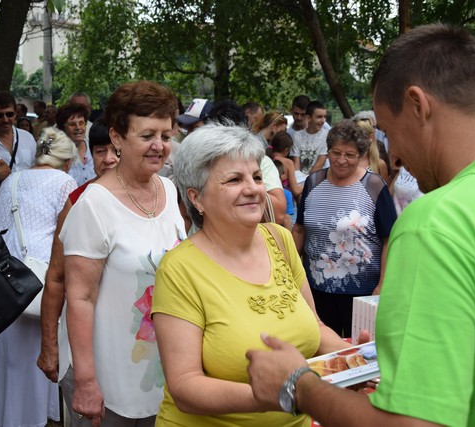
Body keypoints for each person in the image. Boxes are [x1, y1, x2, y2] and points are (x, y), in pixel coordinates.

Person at [246, 23, 475, 427]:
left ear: (417, 105)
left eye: (387, 130)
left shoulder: (436, 224)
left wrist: (298, 384)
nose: (394, 153)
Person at [151, 123, 359, 427]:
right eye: (235, 179)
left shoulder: (279, 239)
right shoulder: (179, 269)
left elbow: (315, 328)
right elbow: (185, 385)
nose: (253, 189)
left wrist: (359, 359)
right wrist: (283, 394)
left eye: (257, 177)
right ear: (197, 198)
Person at [60, 80, 186, 426]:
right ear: (116, 137)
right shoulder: (93, 205)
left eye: (165, 135)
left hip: (164, 368)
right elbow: (80, 298)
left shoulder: (169, 189)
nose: (159, 145)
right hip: (111, 375)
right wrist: (86, 381)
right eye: (147, 135)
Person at [0, 127, 78, 427]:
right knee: (39, 352)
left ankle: (8, 416)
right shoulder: (65, 182)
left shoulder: (11, 180)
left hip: (5, 278)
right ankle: (36, 416)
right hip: (40, 278)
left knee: (10, 359)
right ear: (67, 163)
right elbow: (68, 236)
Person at [37, 118, 119, 427]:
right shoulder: (77, 201)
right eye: (100, 151)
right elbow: (56, 277)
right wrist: (49, 346)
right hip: (87, 343)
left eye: (116, 151)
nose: (109, 159)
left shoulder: (157, 198)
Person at [293, 120, 396, 337]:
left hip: (361, 292)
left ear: (361, 155)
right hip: (316, 288)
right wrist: (289, 273)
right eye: (336, 153)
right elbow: (300, 229)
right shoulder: (313, 182)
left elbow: (389, 239)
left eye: (349, 155)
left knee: (358, 347)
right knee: (321, 344)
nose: (341, 160)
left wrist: (382, 284)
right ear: (328, 151)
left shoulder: (374, 186)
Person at [0, 91, 36, 172]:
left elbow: (35, 166)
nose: (5, 120)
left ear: (15, 113)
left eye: (9, 114)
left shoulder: (27, 137)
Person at [56, 103, 95, 186]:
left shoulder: (95, 148)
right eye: (72, 124)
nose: (78, 127)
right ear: (62, 128)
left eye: (81, 123)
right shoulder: (57, 154)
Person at [290, 100, 329, 175]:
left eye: (325, 117)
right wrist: (298, 177)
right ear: (308, 118)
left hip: (317, 177)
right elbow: (296, 164)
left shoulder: (327, 136)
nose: (323, 120)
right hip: (300, 178)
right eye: (319, 117)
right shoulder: (297, 135)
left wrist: (307, 180)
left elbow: (319, 165)